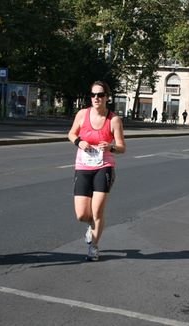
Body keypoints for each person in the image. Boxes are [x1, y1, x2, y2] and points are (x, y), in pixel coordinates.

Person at [68, 81, 126, 261]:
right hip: (83, 166)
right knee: (82, 214)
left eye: (100, 95)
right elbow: (71, 134)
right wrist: (79, 142)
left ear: (107, 98)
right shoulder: (82, 114)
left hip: (104, 166)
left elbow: (122, 147)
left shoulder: (113, 119)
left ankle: (94, 246)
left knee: (98, 211)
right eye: (93, 95)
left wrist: (111, 147)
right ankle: (90, 226)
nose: (96, 98)